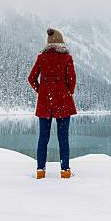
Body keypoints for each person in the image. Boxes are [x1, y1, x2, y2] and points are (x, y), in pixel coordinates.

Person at [28, 28, 77, 179]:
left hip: (45, 104)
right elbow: (72, 80)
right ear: (61, 42)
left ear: (49, 43)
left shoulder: (42, 58)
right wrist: (67, 92)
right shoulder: (66, 58)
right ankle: (65, 171)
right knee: (63, 138)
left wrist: (41, 91)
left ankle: (41, 171)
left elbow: (31, 78)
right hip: (63, 102)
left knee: (43, 138)